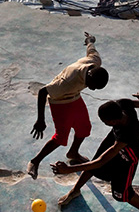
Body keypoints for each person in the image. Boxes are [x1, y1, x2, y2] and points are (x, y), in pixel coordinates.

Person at [51, 92, 139, 212]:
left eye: (105, 122)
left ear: (113, 121)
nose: (104, 124)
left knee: (122, 193)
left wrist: (69, 169)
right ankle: (75, 190)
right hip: (114, 140)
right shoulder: (123, 104)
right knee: (93, 164)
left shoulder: (128, 133)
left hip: (128, 155)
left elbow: (101, 162)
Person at [26, 32, 109, 179]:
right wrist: (40, 120)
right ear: (89, 77)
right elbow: (43, 92)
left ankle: (73, 153)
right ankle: (35, 161)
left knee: (84, 128)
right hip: (60, 101)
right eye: (93, 86)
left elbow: (91, 51)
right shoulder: (67, 82)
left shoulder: (95, 62)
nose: (93, 90)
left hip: (75, 97)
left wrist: (90, 40)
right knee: (61, 137)